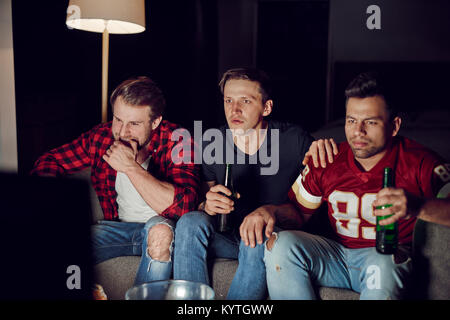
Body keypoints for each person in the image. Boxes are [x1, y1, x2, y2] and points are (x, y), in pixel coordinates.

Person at [264, 72, 450, 299]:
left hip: (384, 257)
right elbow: (297, 214)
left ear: (394, 126)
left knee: (384, 260)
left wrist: (418, 206)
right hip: (337, 256)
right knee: (279, 243)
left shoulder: (421, 162)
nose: (358, 132)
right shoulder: (327, 157)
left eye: (370, 122)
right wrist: (268, 211)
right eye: (351, 121)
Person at [31, 76, 200, 285]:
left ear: (155, 122)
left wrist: (130, 166)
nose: (121, 131)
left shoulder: (178, 139)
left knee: (159, 232)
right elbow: (51, 160)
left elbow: (184, 207)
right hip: (117, 229)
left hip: (164, 227)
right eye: (118, 119)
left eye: (134, 123)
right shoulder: (101, 137)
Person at [173, 67, 317, 299]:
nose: (234, 109)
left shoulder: (295, 140)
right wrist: (206, 205)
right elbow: (203, 201)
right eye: (228, 100)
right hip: (228, 235)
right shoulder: (214, 142)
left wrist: (268, 214)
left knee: (257, 235)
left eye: (245, 101)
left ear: (266, 107)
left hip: (270, 237)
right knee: (190, 221)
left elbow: (311, 207)